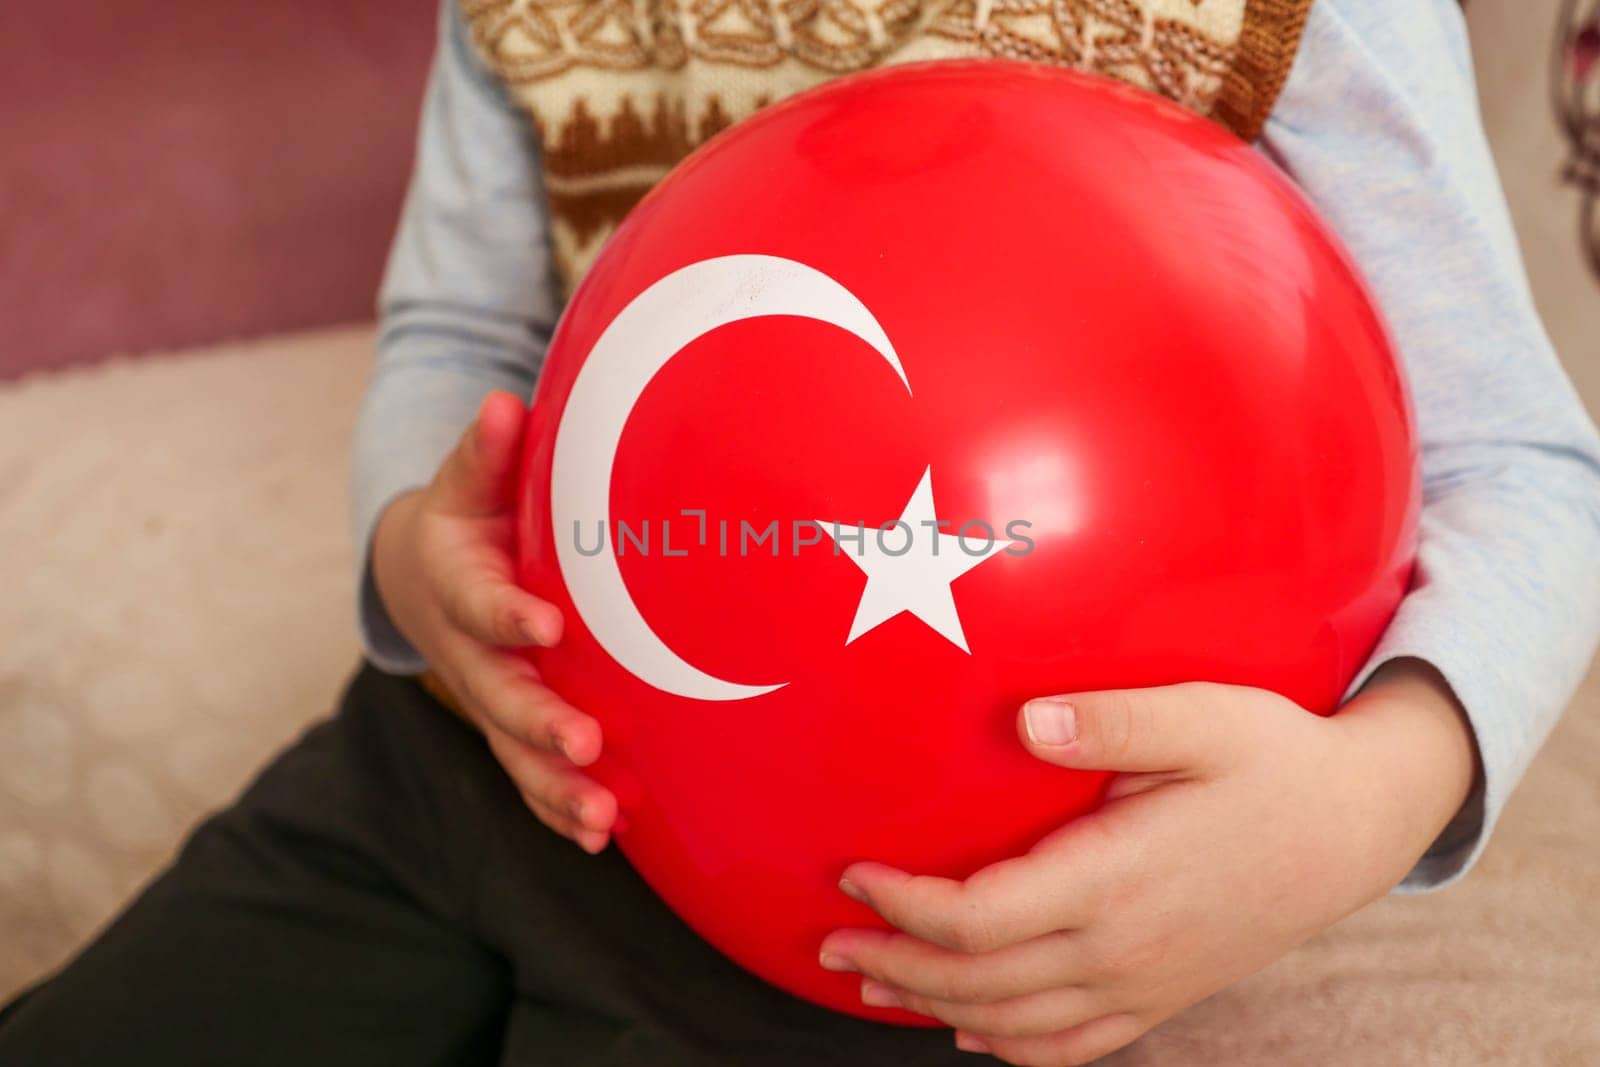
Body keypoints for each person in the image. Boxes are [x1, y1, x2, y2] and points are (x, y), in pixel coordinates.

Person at [3, 0, 1598, 1064]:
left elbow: (1529, 468)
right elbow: (453, 340)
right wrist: (416, 558)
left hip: (913, 925)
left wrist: (1368, 797)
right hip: (458, 772)